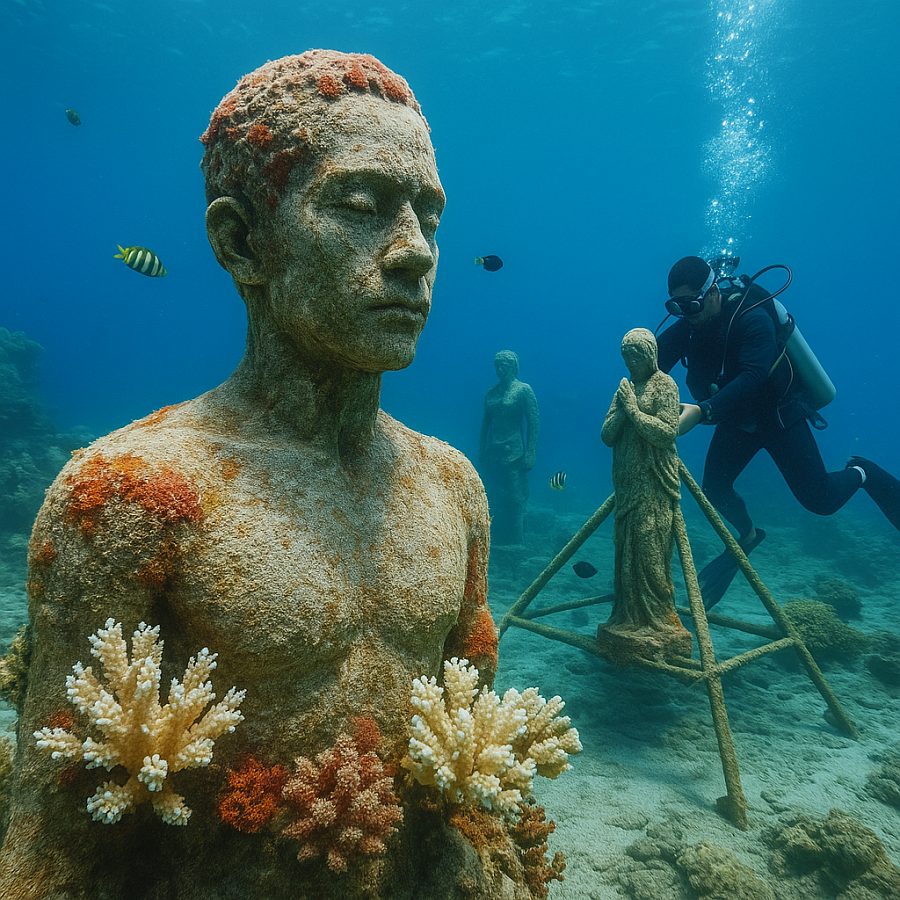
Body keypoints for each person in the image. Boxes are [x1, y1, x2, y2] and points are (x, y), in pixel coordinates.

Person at [0, 51, 501, 900]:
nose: (416, 253)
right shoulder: (128, 492)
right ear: (242, 242)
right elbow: (53, 844)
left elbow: (468, 779)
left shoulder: (453, 489)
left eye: (429, 215)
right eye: (360, 207)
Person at [658, 255, 900, 606]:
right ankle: (748, 535)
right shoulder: (690, 326)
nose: (686, 313)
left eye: (692, 304)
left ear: (712, 293)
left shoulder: (752, 317)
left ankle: (863, 472)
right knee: (715, 488)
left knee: (820, 501)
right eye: (676, 306)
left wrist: (704, 410)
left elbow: (754, 375)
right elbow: (653, 360)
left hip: (779, 419)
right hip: (737, 422)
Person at [598, 329, 691, 662]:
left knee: (650, 553)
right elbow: (607, 435)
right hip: (626, 486)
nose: (631, 363)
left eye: (636, 357)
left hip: (653, 485)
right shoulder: (625, 388)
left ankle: (658, 621)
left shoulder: (665, 385)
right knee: (626, 553)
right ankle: (628, 617)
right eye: (626, 358)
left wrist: (635, 412)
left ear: (650, 354)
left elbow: (667, 433)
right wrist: (625, 409)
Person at [478, 350, 539, 545]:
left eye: (503, 365)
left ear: (513, 366)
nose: (499, 368)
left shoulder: (523, 390)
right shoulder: (492, 392)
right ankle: (495, 536)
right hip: (493, 452)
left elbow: (533, 422)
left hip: (513, 453)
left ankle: (516, 538)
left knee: (515, 495)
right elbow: (485, 423)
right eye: (496, 365)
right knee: (493, 494)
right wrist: (481, 448)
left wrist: (530, 453)